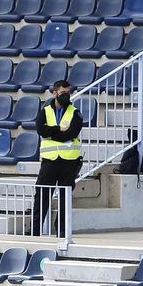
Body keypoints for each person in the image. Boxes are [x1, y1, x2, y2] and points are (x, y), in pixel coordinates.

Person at [33, 79, 83, 238]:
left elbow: (72, 133)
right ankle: (35, 230)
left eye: (68, 93)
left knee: (65, 196)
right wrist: (59, 129)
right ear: (55, 93)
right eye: (62, 93)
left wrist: (53, 134)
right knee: (42, 194)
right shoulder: (45, 111)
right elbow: (41, 130)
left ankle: (61, 229)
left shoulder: (75, 112)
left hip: (69, 161)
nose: (66, 96)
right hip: (49, 161)